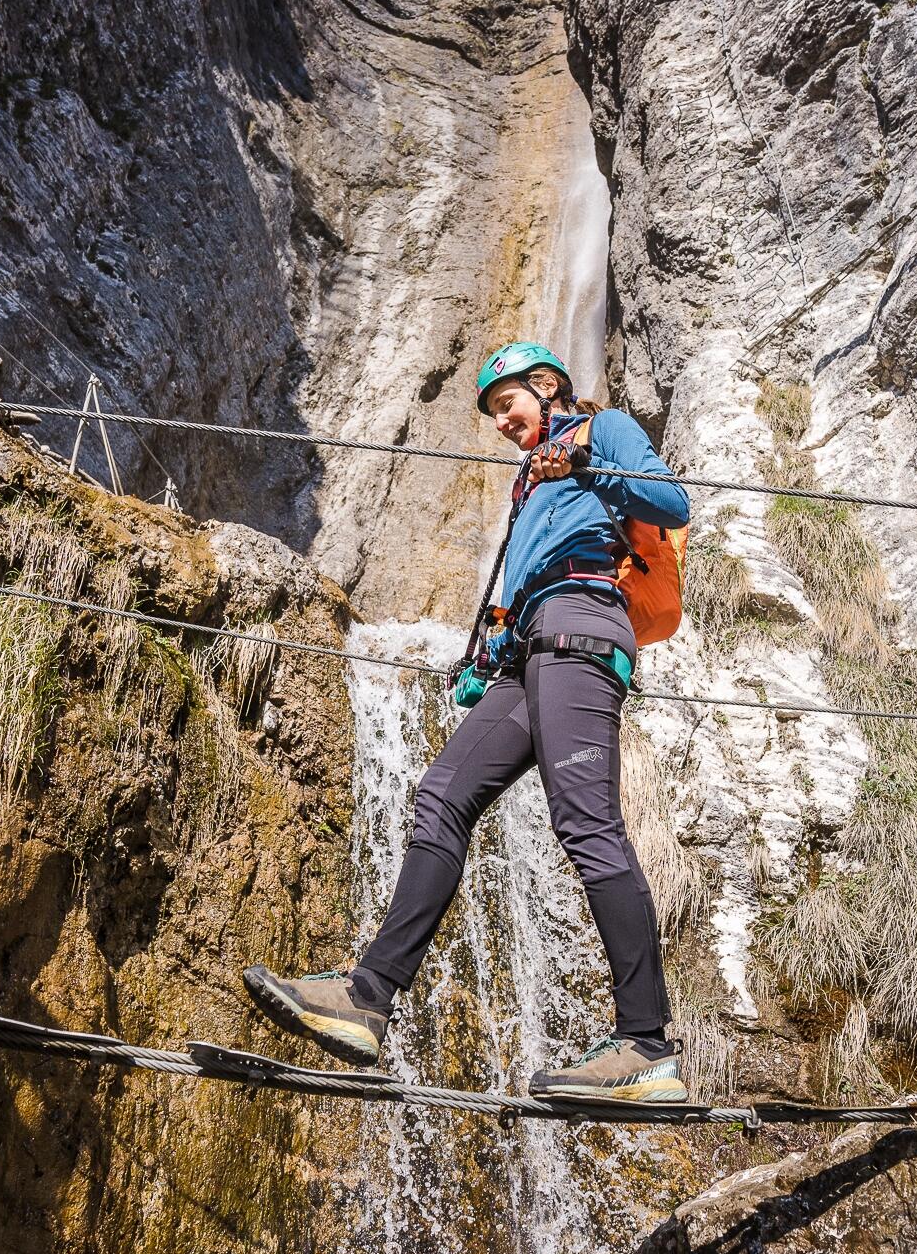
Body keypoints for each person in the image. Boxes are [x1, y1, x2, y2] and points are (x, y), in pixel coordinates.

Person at [243, 342, 691, 1106]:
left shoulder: (602, 430)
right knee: (443, 795)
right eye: (493, 414)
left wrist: (584, 462)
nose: (502, 423)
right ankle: (368, 997)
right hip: (532, 646)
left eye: (507, 405)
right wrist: (491, 651)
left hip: (583, 625)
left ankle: (646, 1045)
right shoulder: (531, 477)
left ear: (546, 387)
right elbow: (534, 571)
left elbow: (671, 503)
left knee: (586, 824)